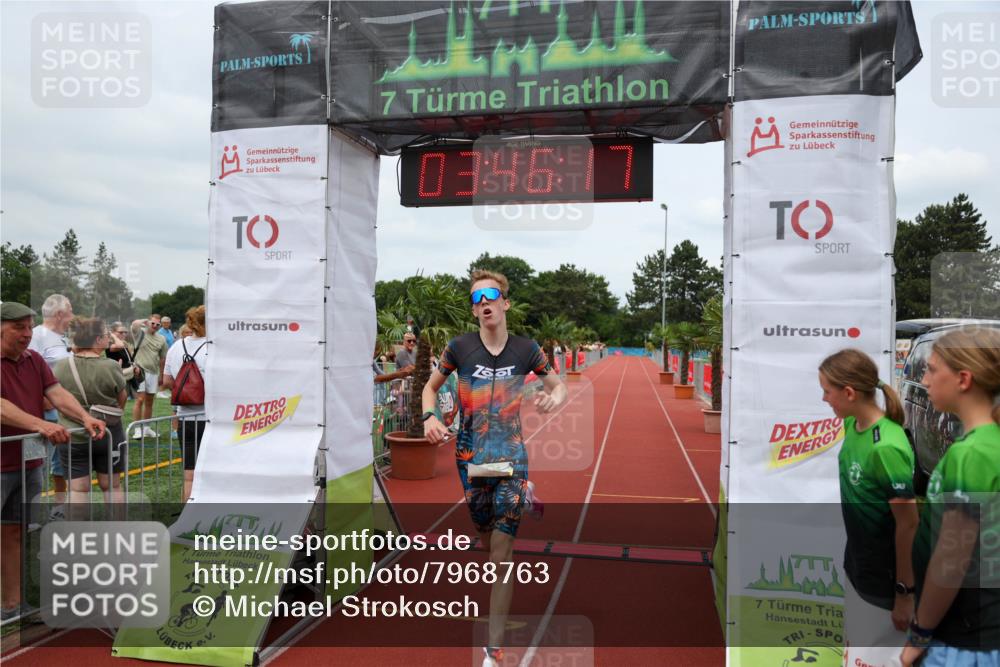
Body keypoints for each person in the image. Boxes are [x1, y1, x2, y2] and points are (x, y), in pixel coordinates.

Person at [422, 270, 566, 667]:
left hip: (512, 457)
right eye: (476, 298)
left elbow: (559, 385)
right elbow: (429, 388)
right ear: (474, 310)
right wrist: (429, 418)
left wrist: (555, 397)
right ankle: (527, 499)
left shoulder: (526, 349)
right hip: (470, 458)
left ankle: (493, 650)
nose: (483, 302)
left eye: (490, 295)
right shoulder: (460, 348)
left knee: (501, 555)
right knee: (485, 539)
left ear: (504, 302)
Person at [902, 326, 1000, 667]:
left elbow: (951, 560)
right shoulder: (985, 444)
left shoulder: (972, 454)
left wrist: (919, 634)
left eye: (930, 369)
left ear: (963, 379)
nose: (923, 380)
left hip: (966, 639)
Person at [1, 302, 104, 621]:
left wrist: (85, 416)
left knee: (15, 532)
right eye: (19, 327)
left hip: (28, 462)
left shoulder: (33, 360)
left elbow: (56, 392)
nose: (27, 334)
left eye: (30, 327)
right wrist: (41, 424)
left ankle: (12, 605)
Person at [819, 349, 918, 667]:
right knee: (853, 654)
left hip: (884, 583)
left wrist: (904, 593)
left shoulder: (887, 446)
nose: (824, 399)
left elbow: (909, 525)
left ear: (849, 393)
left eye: (827, 391)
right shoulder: (852, 423)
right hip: (857, 569)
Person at [52, 318, 127, 512]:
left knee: (77, 490)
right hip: (108, 433)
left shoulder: (60, 366)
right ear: (97, 339)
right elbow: (122, 399)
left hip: (73, 435)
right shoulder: (110, 366)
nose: (108, 340)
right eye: (105, 336)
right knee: (112, 486)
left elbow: (53, 398)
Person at [27, 294, 74, 510]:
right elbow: (27, 370)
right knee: (35, 462)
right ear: (59, 314)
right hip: (42, 410)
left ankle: (59, 505)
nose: (72, 317)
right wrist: (44, 399)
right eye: (70, 311)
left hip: (60, 408)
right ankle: (30, 512)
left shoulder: (62, 337)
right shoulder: (36, 335)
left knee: (59, 460)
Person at [161, 306, 208, 502]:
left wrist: (187, 392)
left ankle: (186, 518)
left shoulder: (176, 346)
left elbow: (167, 381)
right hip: (210, 417)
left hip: (185, 417)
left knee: (189, 474)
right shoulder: (214, 346)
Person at [130, 315, 167, 438]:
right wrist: (143, 321)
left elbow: (162, 359)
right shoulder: (139, 333)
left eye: (158, 324)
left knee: (149, 402)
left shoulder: (161, 338)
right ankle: (137, 430)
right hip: (139, 370)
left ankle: (146, 428)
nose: (155, 326)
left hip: (153, 372)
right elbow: (134, 324)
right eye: (153, 323)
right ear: (148, 323)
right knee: (140, 399)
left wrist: (161, 375)